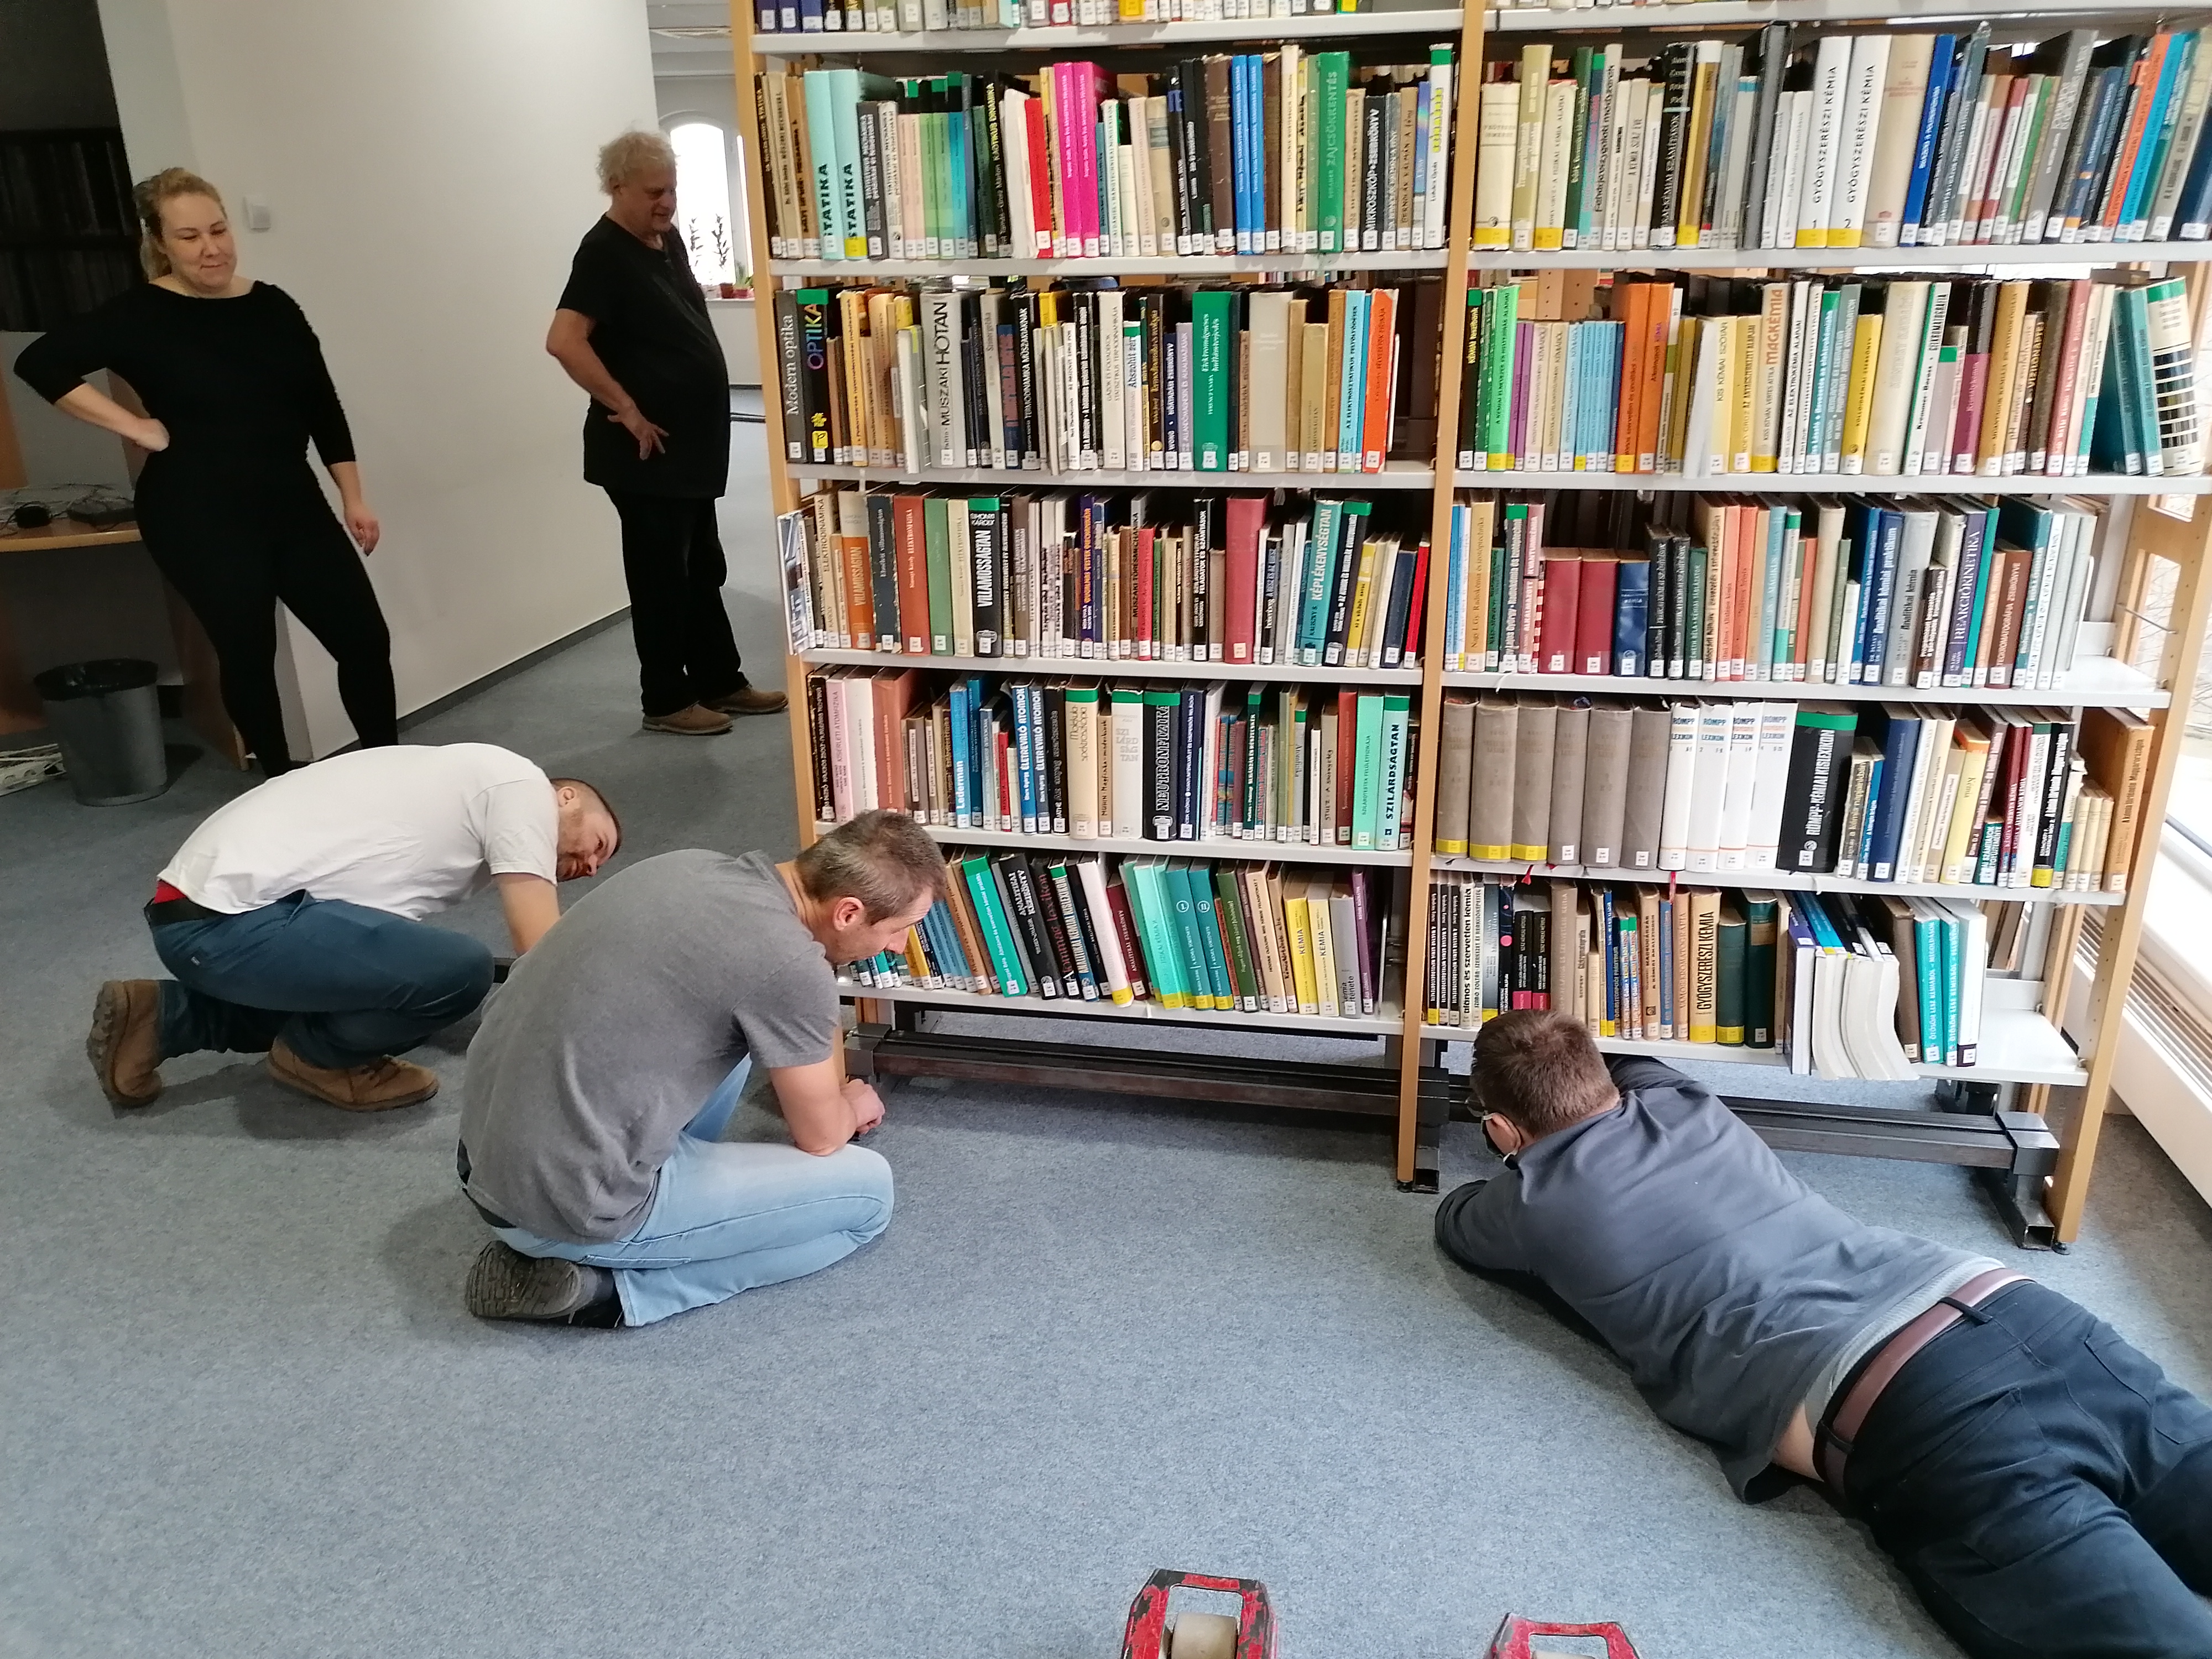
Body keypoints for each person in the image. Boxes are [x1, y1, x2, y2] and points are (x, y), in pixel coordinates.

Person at [1436, 1008, 2212, 1659]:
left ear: (1501, 1128)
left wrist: (1520, 1154)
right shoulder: (1684, 1099)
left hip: (1920, 1410)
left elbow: (1455, 1222)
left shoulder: (1527, 1205)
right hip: (2025, 1313)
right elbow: (1632, 1069)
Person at [456, 808, 943, 1328]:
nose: (899, 947)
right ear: (848, 912)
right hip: (568, 1210)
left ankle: (632, 1215)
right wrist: (850, 1107)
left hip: (482, 1158)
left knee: (732, 1030)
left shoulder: (688, 865)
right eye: (900, 929)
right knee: (869, 1197)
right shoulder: (788, 965)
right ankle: (614, 1293)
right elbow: (821, 1138)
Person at [13, 168, 393, 776]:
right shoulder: (140, 314)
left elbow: (322, 405)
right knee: (249, 655)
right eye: (189, 237)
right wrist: (135, 427)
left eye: (218, 230)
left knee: (365, 641)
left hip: (292, 502)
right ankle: (278, 784)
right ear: (160, 242)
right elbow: (41, 362)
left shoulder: (274, 306)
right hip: (197, 514)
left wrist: (354, 496)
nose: (211, 248)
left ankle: (392, 773)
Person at [88, 743, 620, 1113]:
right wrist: (618, 1037)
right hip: (226, 921)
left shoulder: (454, 804)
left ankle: (167, 1017)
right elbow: (541, 951)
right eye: (599, 844)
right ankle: (321, 1060)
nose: (593, 867)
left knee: (393, 988)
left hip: (202, 918)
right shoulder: (520, 785)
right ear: (566, 798)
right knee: (460, 972)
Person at [545, 129, 786, 738]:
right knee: (660, 580)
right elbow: (564, 341)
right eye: (654, 192)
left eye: (672, 189)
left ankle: (719, 679)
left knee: (703, 567)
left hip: (689, 450)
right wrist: (625, 407)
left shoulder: (665, 240)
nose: (667, 202)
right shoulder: (603, 253)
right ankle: (666, 699)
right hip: (643, 452)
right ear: (616, 187)